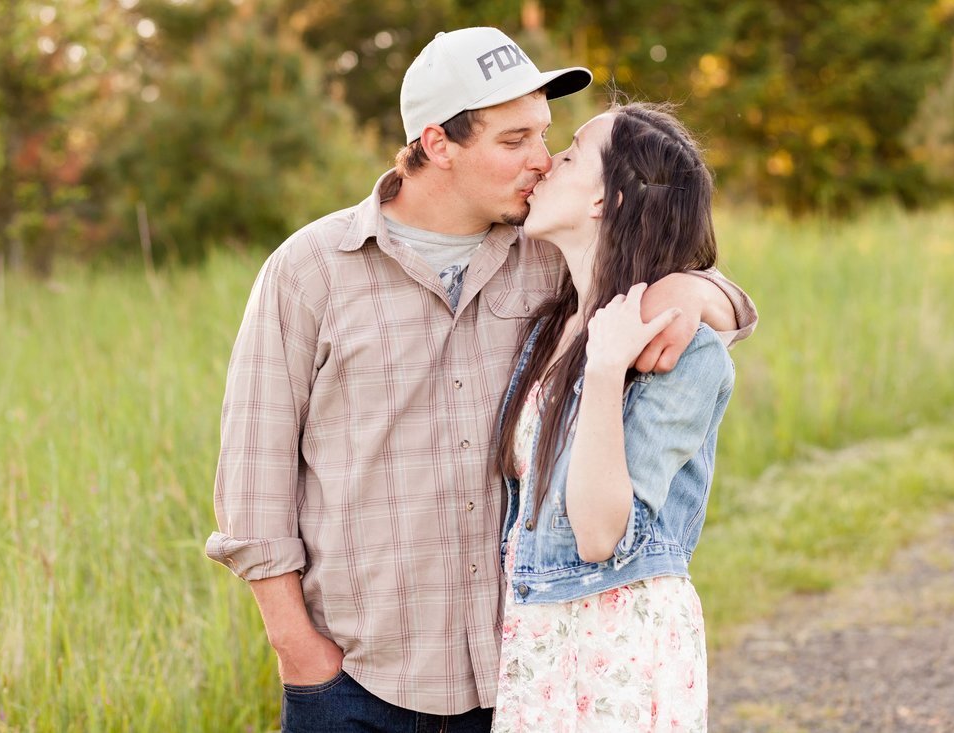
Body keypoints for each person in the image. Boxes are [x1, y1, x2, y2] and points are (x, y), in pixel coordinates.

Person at [205, 27, 757, 733]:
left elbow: (653, 242)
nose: (541, 160)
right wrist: (300, 651)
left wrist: (695, 292)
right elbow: (252, 482)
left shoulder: (546, 251)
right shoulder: (311, 269)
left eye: (546, 136)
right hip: (356, 679)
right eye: (513, 140)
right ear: (438, 144)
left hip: (520, 675)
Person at [491, 103, 734, 732]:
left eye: (570, 155)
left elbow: (599, 536)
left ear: (610, 200)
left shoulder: (682, 351)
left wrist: (603, 373)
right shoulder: (546, 329)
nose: (546, 163)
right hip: (537, 636)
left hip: (617, 644)